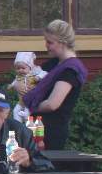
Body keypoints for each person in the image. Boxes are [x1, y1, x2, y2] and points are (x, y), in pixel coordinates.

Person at [15, 20, 87, 151]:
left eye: (50, 42)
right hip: (35, 126)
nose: (46, 46)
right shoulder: (53, 64)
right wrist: (19, 85)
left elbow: (52, 104)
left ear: (63, 42)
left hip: (51, 132)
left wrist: (29, 106)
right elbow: (31, 79)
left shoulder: (70, 70)